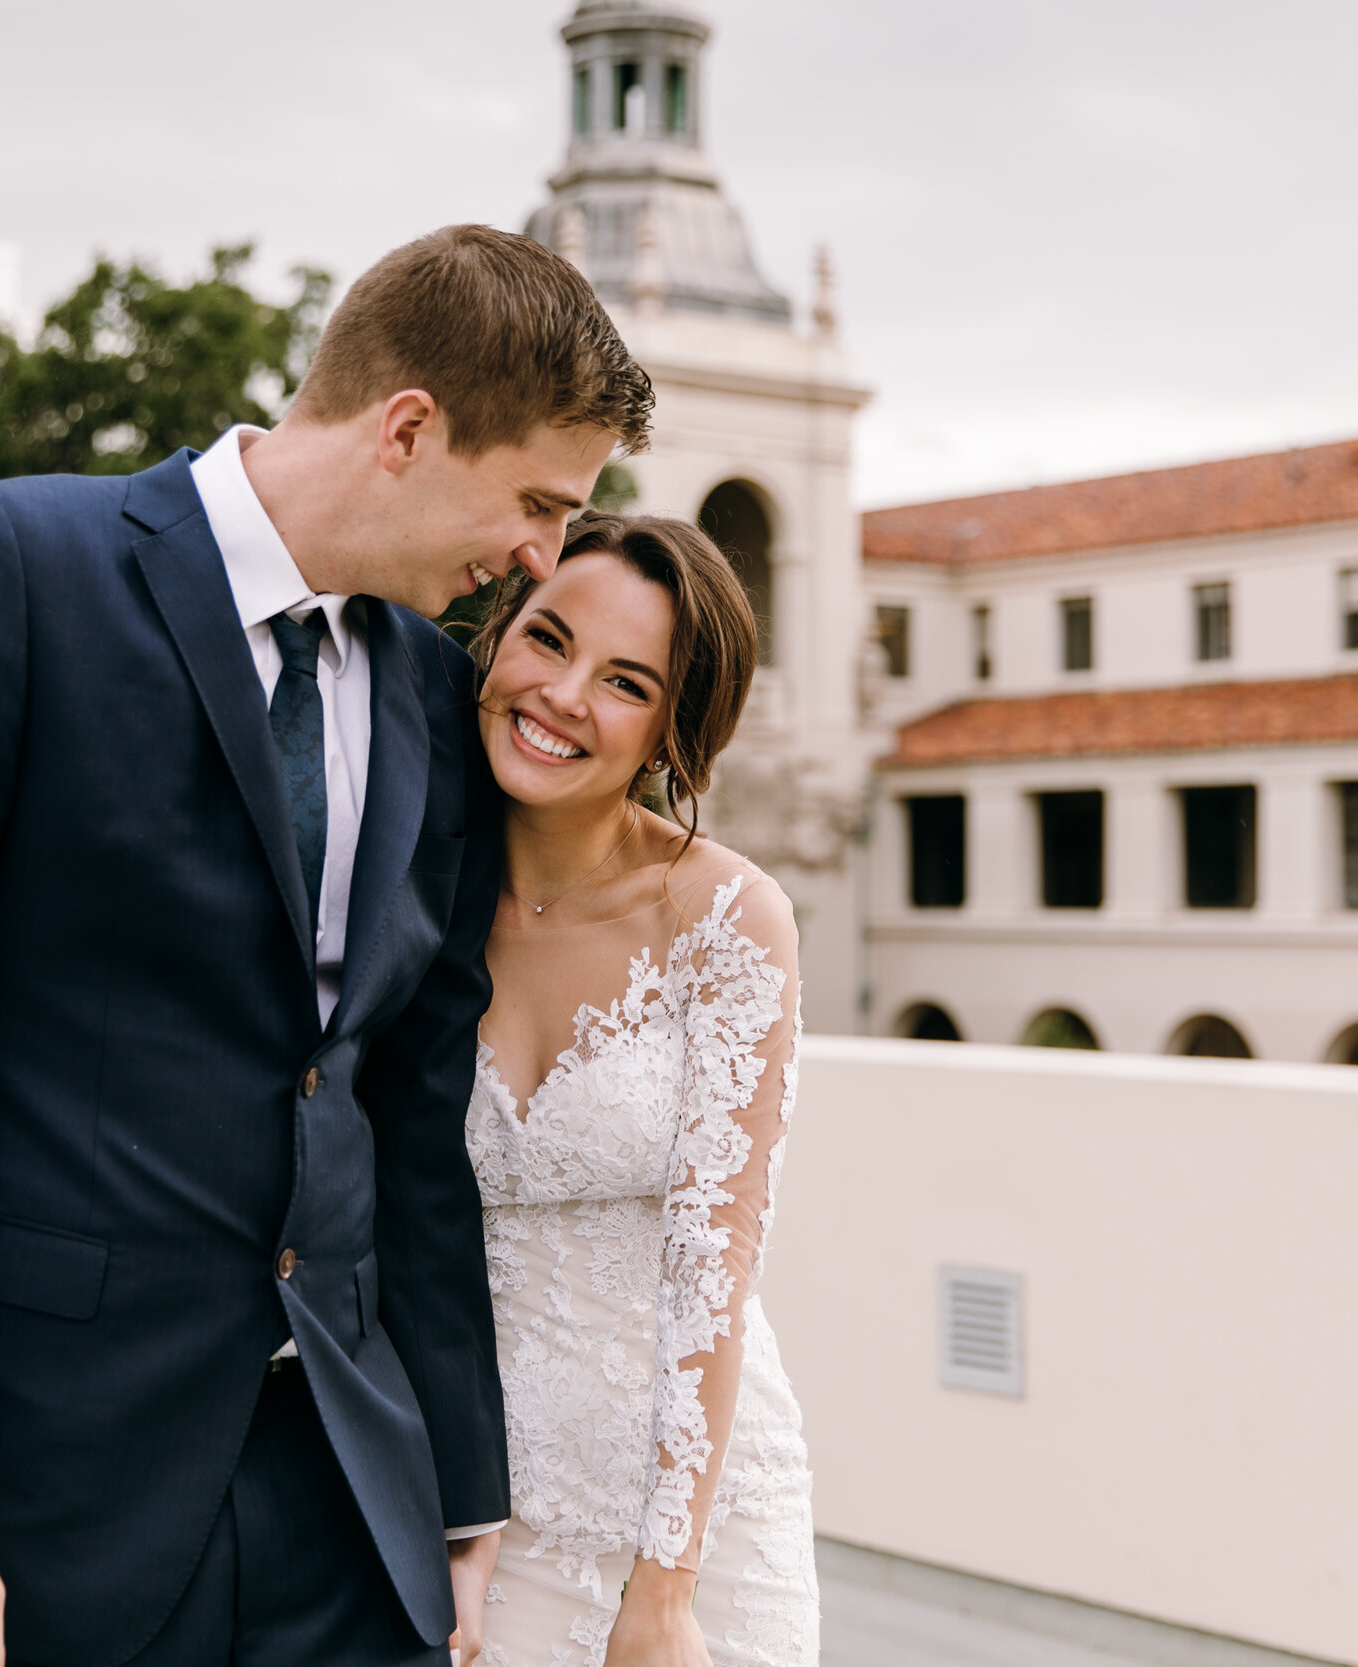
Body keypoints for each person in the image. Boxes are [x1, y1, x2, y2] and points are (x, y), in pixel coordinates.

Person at [0, 224, 653, 1667]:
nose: (541, 558)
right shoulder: (3, 568)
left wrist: (462, 1484)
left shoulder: (442, 694)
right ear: (409, 428)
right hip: (47, 1490)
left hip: (352, 1498)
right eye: (539, 502)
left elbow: (408, 1113)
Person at [460, 515, 818, 1666]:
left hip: (690, 1526)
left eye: (623, 680)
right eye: (545, 638)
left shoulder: (727, 916)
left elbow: (715, 1264)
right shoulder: (405, 898)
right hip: (476, 1516)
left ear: (672, 726)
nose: (561, 694)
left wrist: (665, 1586)